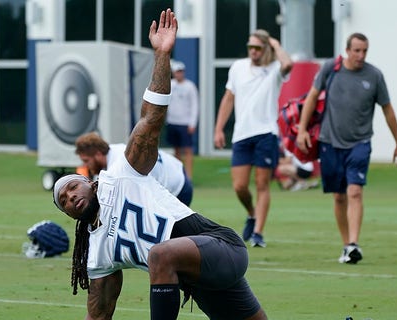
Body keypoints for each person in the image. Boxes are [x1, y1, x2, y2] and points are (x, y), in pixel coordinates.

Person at [52, 9, 268, 320]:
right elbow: (98, 314)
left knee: (160, 254)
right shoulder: (97, 253)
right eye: (64, 201)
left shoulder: (120, 175)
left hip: (221, 247)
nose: (70, 196)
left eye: (72, 186)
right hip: (195, 278)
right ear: (70, 214)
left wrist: (162, 56)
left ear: (91, 181)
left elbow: (150, 120)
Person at [296, 32, 397, 264]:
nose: (361, 55)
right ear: (347, 50)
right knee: (339, 196)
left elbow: (388, 109)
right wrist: (302, 129)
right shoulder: (330, 69)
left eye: (364, 51)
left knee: (355, 191)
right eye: (356, 50)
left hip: (360, 143)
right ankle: (346, 245)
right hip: (330, 142)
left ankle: (354, 244)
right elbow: (312, 98)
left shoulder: (374, 75)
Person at [213, 29, 293, 248]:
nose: (254, 51)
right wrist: (219, 128)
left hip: (266, 134)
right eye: (251, 47)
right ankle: (252, 214)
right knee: (239, 186)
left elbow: (288, 64)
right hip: (242, 135)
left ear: (266, 48)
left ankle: (258, 233)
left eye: (258, 47)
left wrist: (276, 45)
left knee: (262, 184)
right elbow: (229, 98)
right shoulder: (238, 67)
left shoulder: (275, 68)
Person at [75, 132, 193, 206]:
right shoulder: (115, 151)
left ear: (98, 154)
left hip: (178, 188)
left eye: (86, 160)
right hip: (176, 170)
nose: (86, 165)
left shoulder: (118, 166)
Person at [166, 59, 198, 180]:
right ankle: (179, 176)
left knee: (188, 150)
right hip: (172, 122)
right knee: (176, 150)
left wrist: (192, 123)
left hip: (185, 123)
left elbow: (195, 105)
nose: (179, 74)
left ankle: (188, 177)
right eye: (176, 72)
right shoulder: (170, 85)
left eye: (180, 72)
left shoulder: (190, 86)